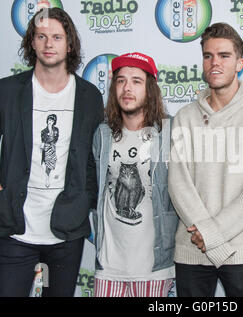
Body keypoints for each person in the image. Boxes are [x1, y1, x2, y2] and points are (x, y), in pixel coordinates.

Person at [0, 8, 104, 297]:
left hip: (67, 229)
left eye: (56, 37)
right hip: (17, 228)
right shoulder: (6, 91)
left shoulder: (89, 96)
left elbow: (96, 159)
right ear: (31, 43)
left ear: (69, 44)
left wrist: (85, 200)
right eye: (41, 36)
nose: (48, 44)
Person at [168, 23, 243, 297]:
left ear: (240, 63)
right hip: (191, 250)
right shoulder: (184, 116)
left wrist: (210, 234)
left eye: (224, 55)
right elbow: (178, 184)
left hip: (241, 251)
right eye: (208, 56)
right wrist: (207, 236)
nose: (215, 63)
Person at [91, 52, 178, 297]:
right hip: (108, 267)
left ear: (150, 90)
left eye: (136, 81)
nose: (127, 88)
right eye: (121, 81)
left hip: (154, 268)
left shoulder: (169, 132)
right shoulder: (102, 135)